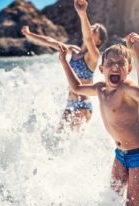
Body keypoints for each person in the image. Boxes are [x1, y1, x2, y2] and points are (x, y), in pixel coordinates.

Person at [57, 32, 139, 206]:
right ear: (101, 69)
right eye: (110, 63)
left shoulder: (126, 87)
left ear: (128, 69)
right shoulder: (100, 88)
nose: (115, 66)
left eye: (121, 63)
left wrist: (136, 54)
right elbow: (77, 87)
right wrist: (64, 62)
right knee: (111, 201)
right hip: (121, 154)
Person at [21, 0, 107, 131]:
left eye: (94, 29)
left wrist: (82, 13)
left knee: (72, 140)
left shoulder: (93, 56)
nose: (91, 28)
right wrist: (30, 35)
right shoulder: (73, 50)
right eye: (91, 26)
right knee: (59, 139)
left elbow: (88, 39)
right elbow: (52, 42)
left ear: (98, 41)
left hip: (83, 105)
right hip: (69, 103)